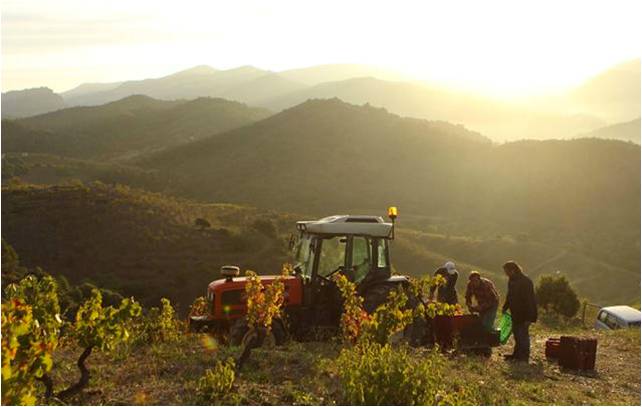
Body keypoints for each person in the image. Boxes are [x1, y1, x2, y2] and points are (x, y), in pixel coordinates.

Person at [501, 260, 537, 362]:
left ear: (513, 270)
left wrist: (530, 318)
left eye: (507, 271)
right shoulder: (511, 281)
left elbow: (530, 300)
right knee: (517, 334)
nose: (506, 274)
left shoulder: (526, 282)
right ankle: (516, 354)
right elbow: (510, 295)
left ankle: (524, 356)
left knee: (523, 335)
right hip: (515, 313)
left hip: (525, 314)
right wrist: (505, 307)